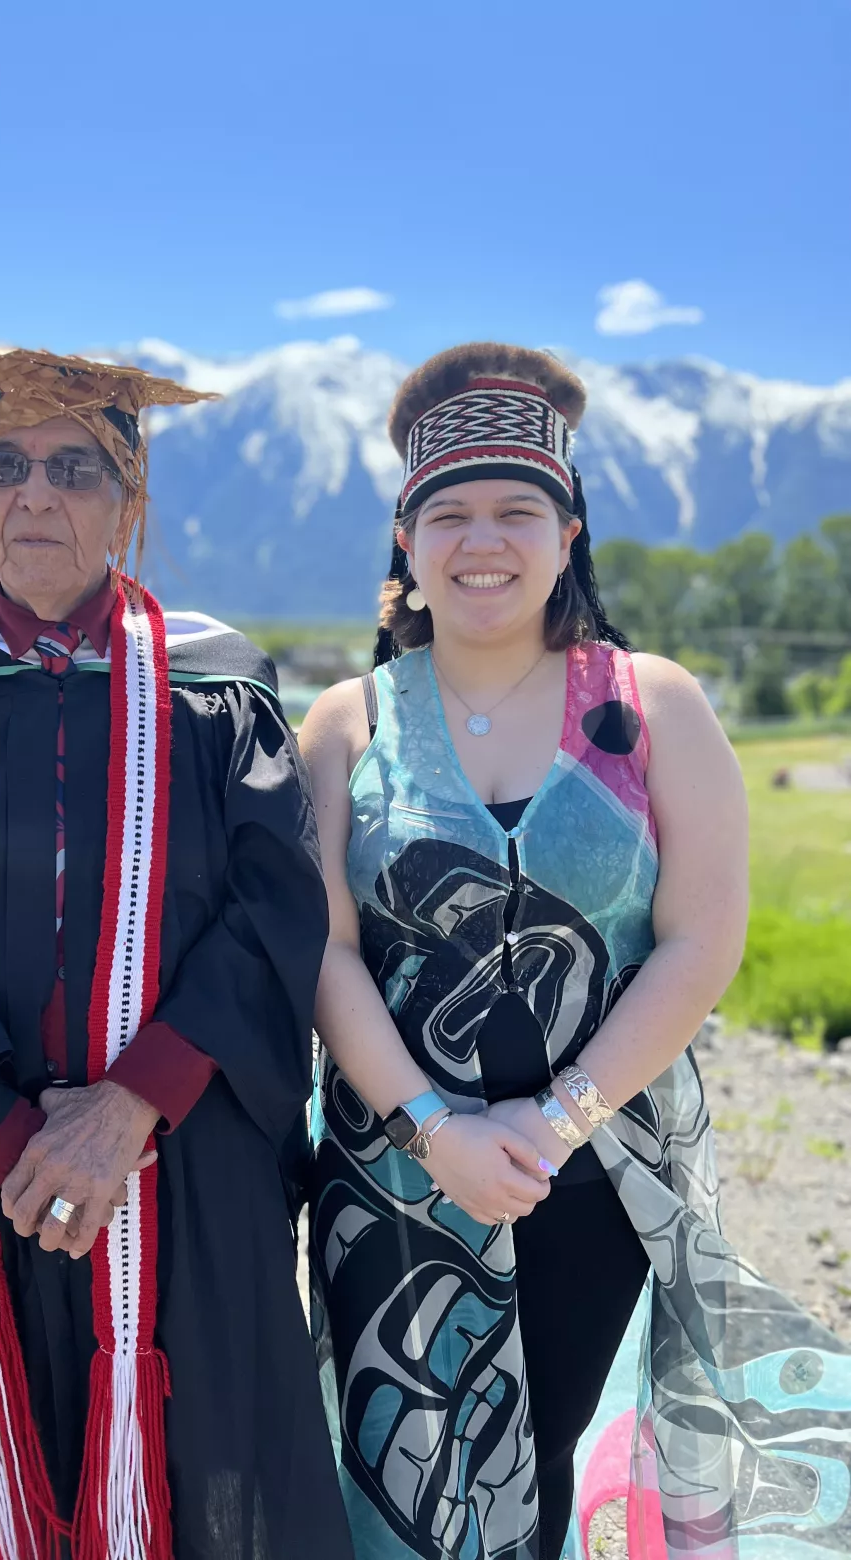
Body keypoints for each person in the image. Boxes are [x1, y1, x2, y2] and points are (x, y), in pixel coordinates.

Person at [0, 336, 354, 1560]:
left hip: (182, 1177)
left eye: (77, 469)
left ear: (131, 501)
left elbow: (272, 921)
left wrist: (125, 1111)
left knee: (212, 1489)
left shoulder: (218, 693)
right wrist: (16, 1154)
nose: (36, 493)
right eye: (4, 463)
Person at [301, 342, 851, 1559]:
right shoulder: (346, 723)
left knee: (561, 1475)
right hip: (393, 1177)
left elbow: (701, 940)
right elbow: (326, 954)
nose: (480, 538)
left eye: (516, 509)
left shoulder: (654, 703)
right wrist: (437, 1132)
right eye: (447, 512)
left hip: (598, 1171)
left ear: (569, 528)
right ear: (406, 542)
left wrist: (551, 1124)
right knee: (401, 1485)